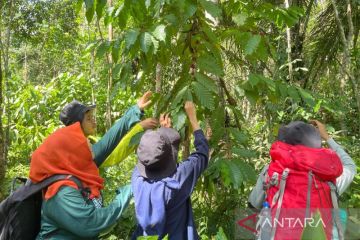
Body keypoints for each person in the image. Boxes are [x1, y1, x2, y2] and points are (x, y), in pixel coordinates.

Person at [30, 91, 158, 239]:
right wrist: (128, 191)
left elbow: (108, 142)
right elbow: (92, 223)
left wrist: (135, 112)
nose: (91, 144)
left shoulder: (78, 165)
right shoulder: (61, 193)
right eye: (86, 143)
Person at [248, 120, 357, 240]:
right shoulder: (329, 177)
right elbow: (350, 166)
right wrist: (327, 137)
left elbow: (253, 204)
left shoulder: (272, 170)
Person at [131, 101, 209, 240]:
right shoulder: (177, 180)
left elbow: (156, 155)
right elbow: (202, 154)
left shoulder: (137, 177)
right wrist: (193, 119)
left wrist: (164, 132)